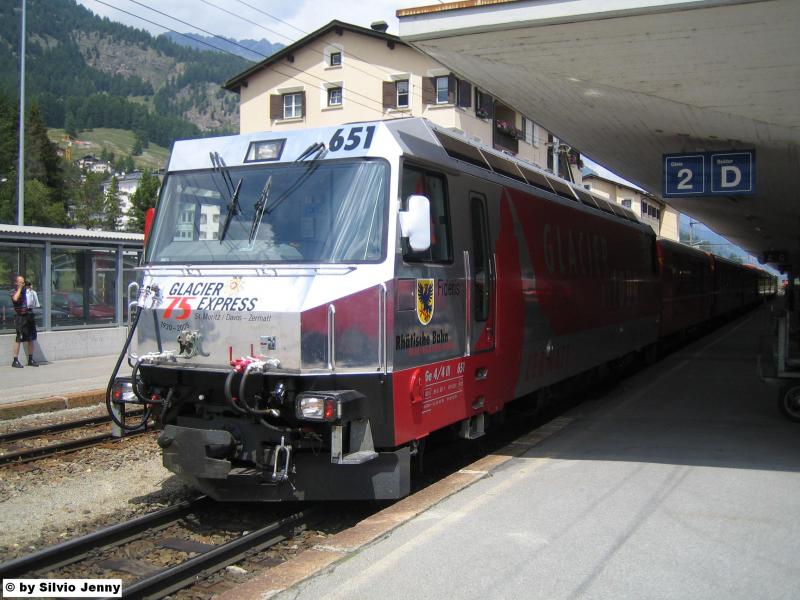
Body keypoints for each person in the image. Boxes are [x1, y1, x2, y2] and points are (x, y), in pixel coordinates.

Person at [10, 274, 39, 368]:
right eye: (20, 282)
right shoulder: (14, 291)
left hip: (29, 316)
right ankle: (15, 360)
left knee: (31, 338)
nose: (23, 284)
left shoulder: (27, 291)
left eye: (23, 282)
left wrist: (30, 289)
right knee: (19, 338)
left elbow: (34, 301)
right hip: (20, 317)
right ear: (16, 283)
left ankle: (30, 359)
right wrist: (19, 288)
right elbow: (15, 299)